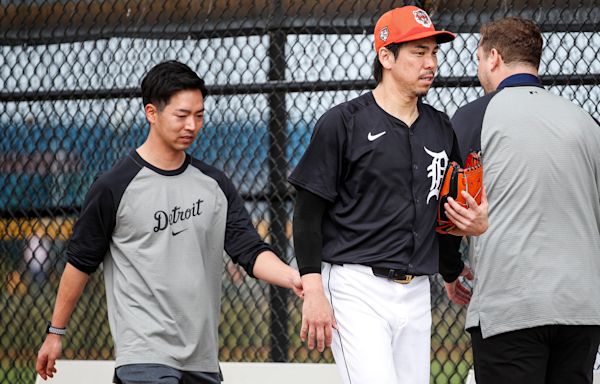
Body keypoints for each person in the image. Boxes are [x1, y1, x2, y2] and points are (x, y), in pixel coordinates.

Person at [36, 60, 303, 384]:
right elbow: (79, 262)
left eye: (199, 115)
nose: (192, 125)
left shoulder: (214, 184)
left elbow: (248, 249)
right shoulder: (113, 186)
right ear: (152, 112)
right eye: (181, 115)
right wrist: (55, 332)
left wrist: (291, 276)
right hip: (143, 359)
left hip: (202, 360)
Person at [288, 6, 488, 384]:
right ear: (386, 57)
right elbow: (308, 211)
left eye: (434, 52)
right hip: (355, 286)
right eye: (418, 52)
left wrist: (452, 264)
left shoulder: (440, 127)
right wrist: (313, 287)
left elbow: (444, 212)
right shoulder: (344, 123)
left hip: (415, 291)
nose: (430, 63)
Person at [445, 17, 600, 384]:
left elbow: (449, 204)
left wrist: (450, 269)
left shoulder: (474, 117)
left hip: (511, 307)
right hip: (582, 308)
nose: (479, 68)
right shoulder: (586, 121)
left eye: (479, 59)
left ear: (494, 58)